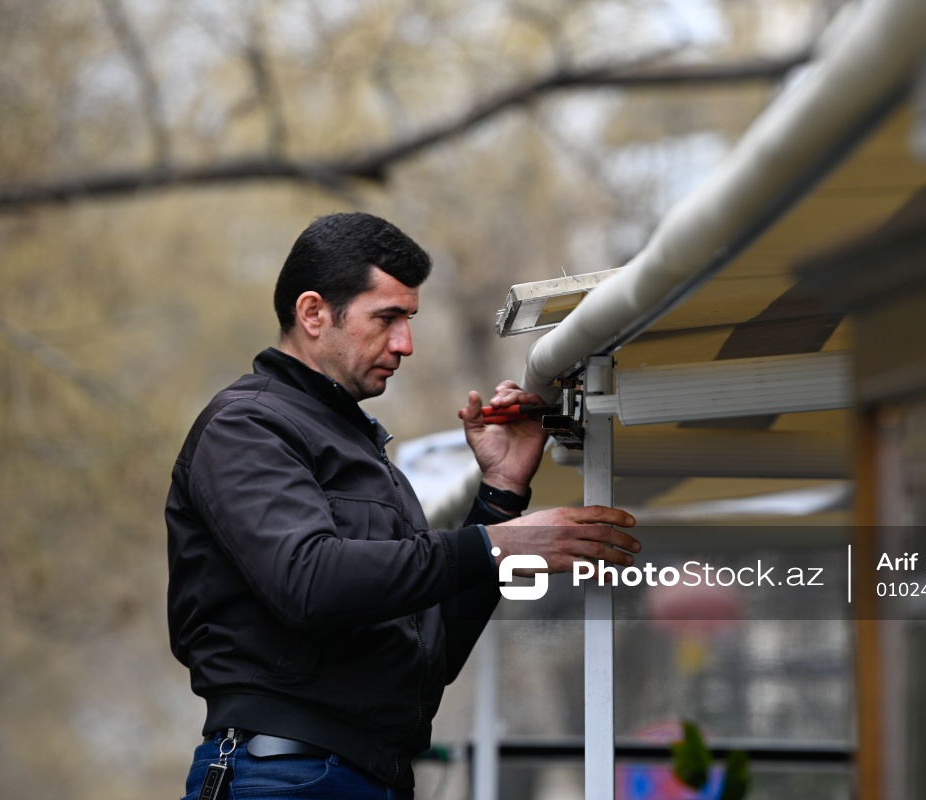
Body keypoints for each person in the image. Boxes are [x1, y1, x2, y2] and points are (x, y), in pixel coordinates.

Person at [166, 211, 639, 800]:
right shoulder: (246, 426)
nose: (405, 344)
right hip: (282, 776)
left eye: (409, 320)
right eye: (386, 318)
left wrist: (500, 495)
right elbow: (307, 581)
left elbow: (433, 655)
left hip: (372, 775)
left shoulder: (358, 447)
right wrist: (498, 545)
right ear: (313, 313)